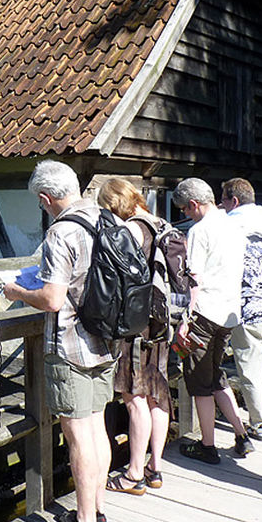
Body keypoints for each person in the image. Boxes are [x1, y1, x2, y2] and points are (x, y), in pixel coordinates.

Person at [3, 160, 114, 522]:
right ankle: (95, 511)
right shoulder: (105, 218)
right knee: (96, 428)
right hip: (105, 340)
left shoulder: (61, 232)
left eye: (41, 202)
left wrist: (18, 293)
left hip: (70, 346)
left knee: (77, 436)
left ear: (47, 198)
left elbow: (51, 299)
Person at [172, 178, 255, 463]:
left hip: (205, 312)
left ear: (194, 204)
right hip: (230, 312)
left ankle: (207, 446)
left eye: (184, 209)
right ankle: (241, 434)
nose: (185, 214)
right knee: (215, 374)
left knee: (198, 382)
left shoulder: (199, 230)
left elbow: (194, 279)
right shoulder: (234, 225)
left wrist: (186, 320)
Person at [97, 178, 170, 494]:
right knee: (158, 396)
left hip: (136, 328)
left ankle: (134, 474)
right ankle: (155, 467)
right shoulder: (162, 224)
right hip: (161, 324)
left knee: (134, 400)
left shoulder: (130, 230)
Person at [221, 178, 262, 441]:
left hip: (247, 310)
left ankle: (258, 424)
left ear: (233, 200)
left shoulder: (229, 223)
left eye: (224, 200)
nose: (222, 205)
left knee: (250, 369)